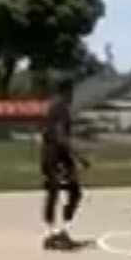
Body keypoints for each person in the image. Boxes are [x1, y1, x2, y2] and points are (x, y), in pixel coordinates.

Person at [40, 80, 87, 249]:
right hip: (55, 154)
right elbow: (59, 136)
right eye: (71, 92)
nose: (72, 96)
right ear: (66, 91)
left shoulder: (56, 106)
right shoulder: (59, 107)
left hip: (55, 153)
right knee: (60, 190)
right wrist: (78, 156)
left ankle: (58, 232)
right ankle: (54, 233)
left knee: (67, 191)